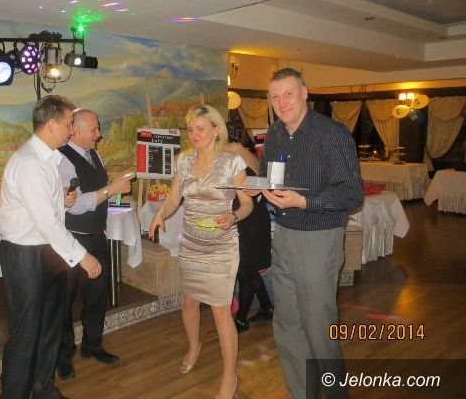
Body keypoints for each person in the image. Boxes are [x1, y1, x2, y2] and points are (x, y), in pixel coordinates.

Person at [245, 68, 362, 398]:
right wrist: (255, 187)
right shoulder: (276, 133)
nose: (282, 103)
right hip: (283, 234)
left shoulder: (331, 134)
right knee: (287, 326)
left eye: (288, 94)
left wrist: (304, 201)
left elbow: (351, 194)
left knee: (319, 329)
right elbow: (270, 176)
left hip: (318, 239)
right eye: (275, 97)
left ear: (304, 93)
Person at [0, 95, 102, 399]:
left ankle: (44, 391)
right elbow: (46, 222)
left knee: (50, 327)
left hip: (48, 251)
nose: (72, 130)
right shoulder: (29, 162)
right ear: (52, 125)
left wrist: (62, 200)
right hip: (26, 254)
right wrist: (84, 257)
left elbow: (48, 210)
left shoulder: (48, 158)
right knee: (26, 332)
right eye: (69, 124)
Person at [149, 104, 253, 399]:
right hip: (191, 243)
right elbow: (173, 200)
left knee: (221, 309)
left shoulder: (232, 162)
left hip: (221, 246)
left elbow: (247, 204)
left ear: (216, 130)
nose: (194, 134)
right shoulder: (183, 161)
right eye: (191, 129)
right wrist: (160, 214)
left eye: (201, 129)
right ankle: (194, 347)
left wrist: (232, 216)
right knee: (189, 302)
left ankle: (230, 376)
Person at [56, 108, 133, 379]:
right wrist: (111, 189)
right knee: (64, 302)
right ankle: (63, 356)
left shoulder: (95, 155)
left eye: (98, 128)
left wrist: (113, 187)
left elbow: (97, 192)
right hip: (71, 239)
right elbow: (75, 205)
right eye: (94, 130)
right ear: (75, 131)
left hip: (96, 236)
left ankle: (93, 345)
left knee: (98, 294)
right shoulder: (63, 159)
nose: (99, 134)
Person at [224, 123, 273, 333]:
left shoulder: (233, 153)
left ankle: (241, 319)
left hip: (248, 218)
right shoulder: (249, 153)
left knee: (244, 269)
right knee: (249, 269)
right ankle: (267, 307)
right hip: (254, 217)